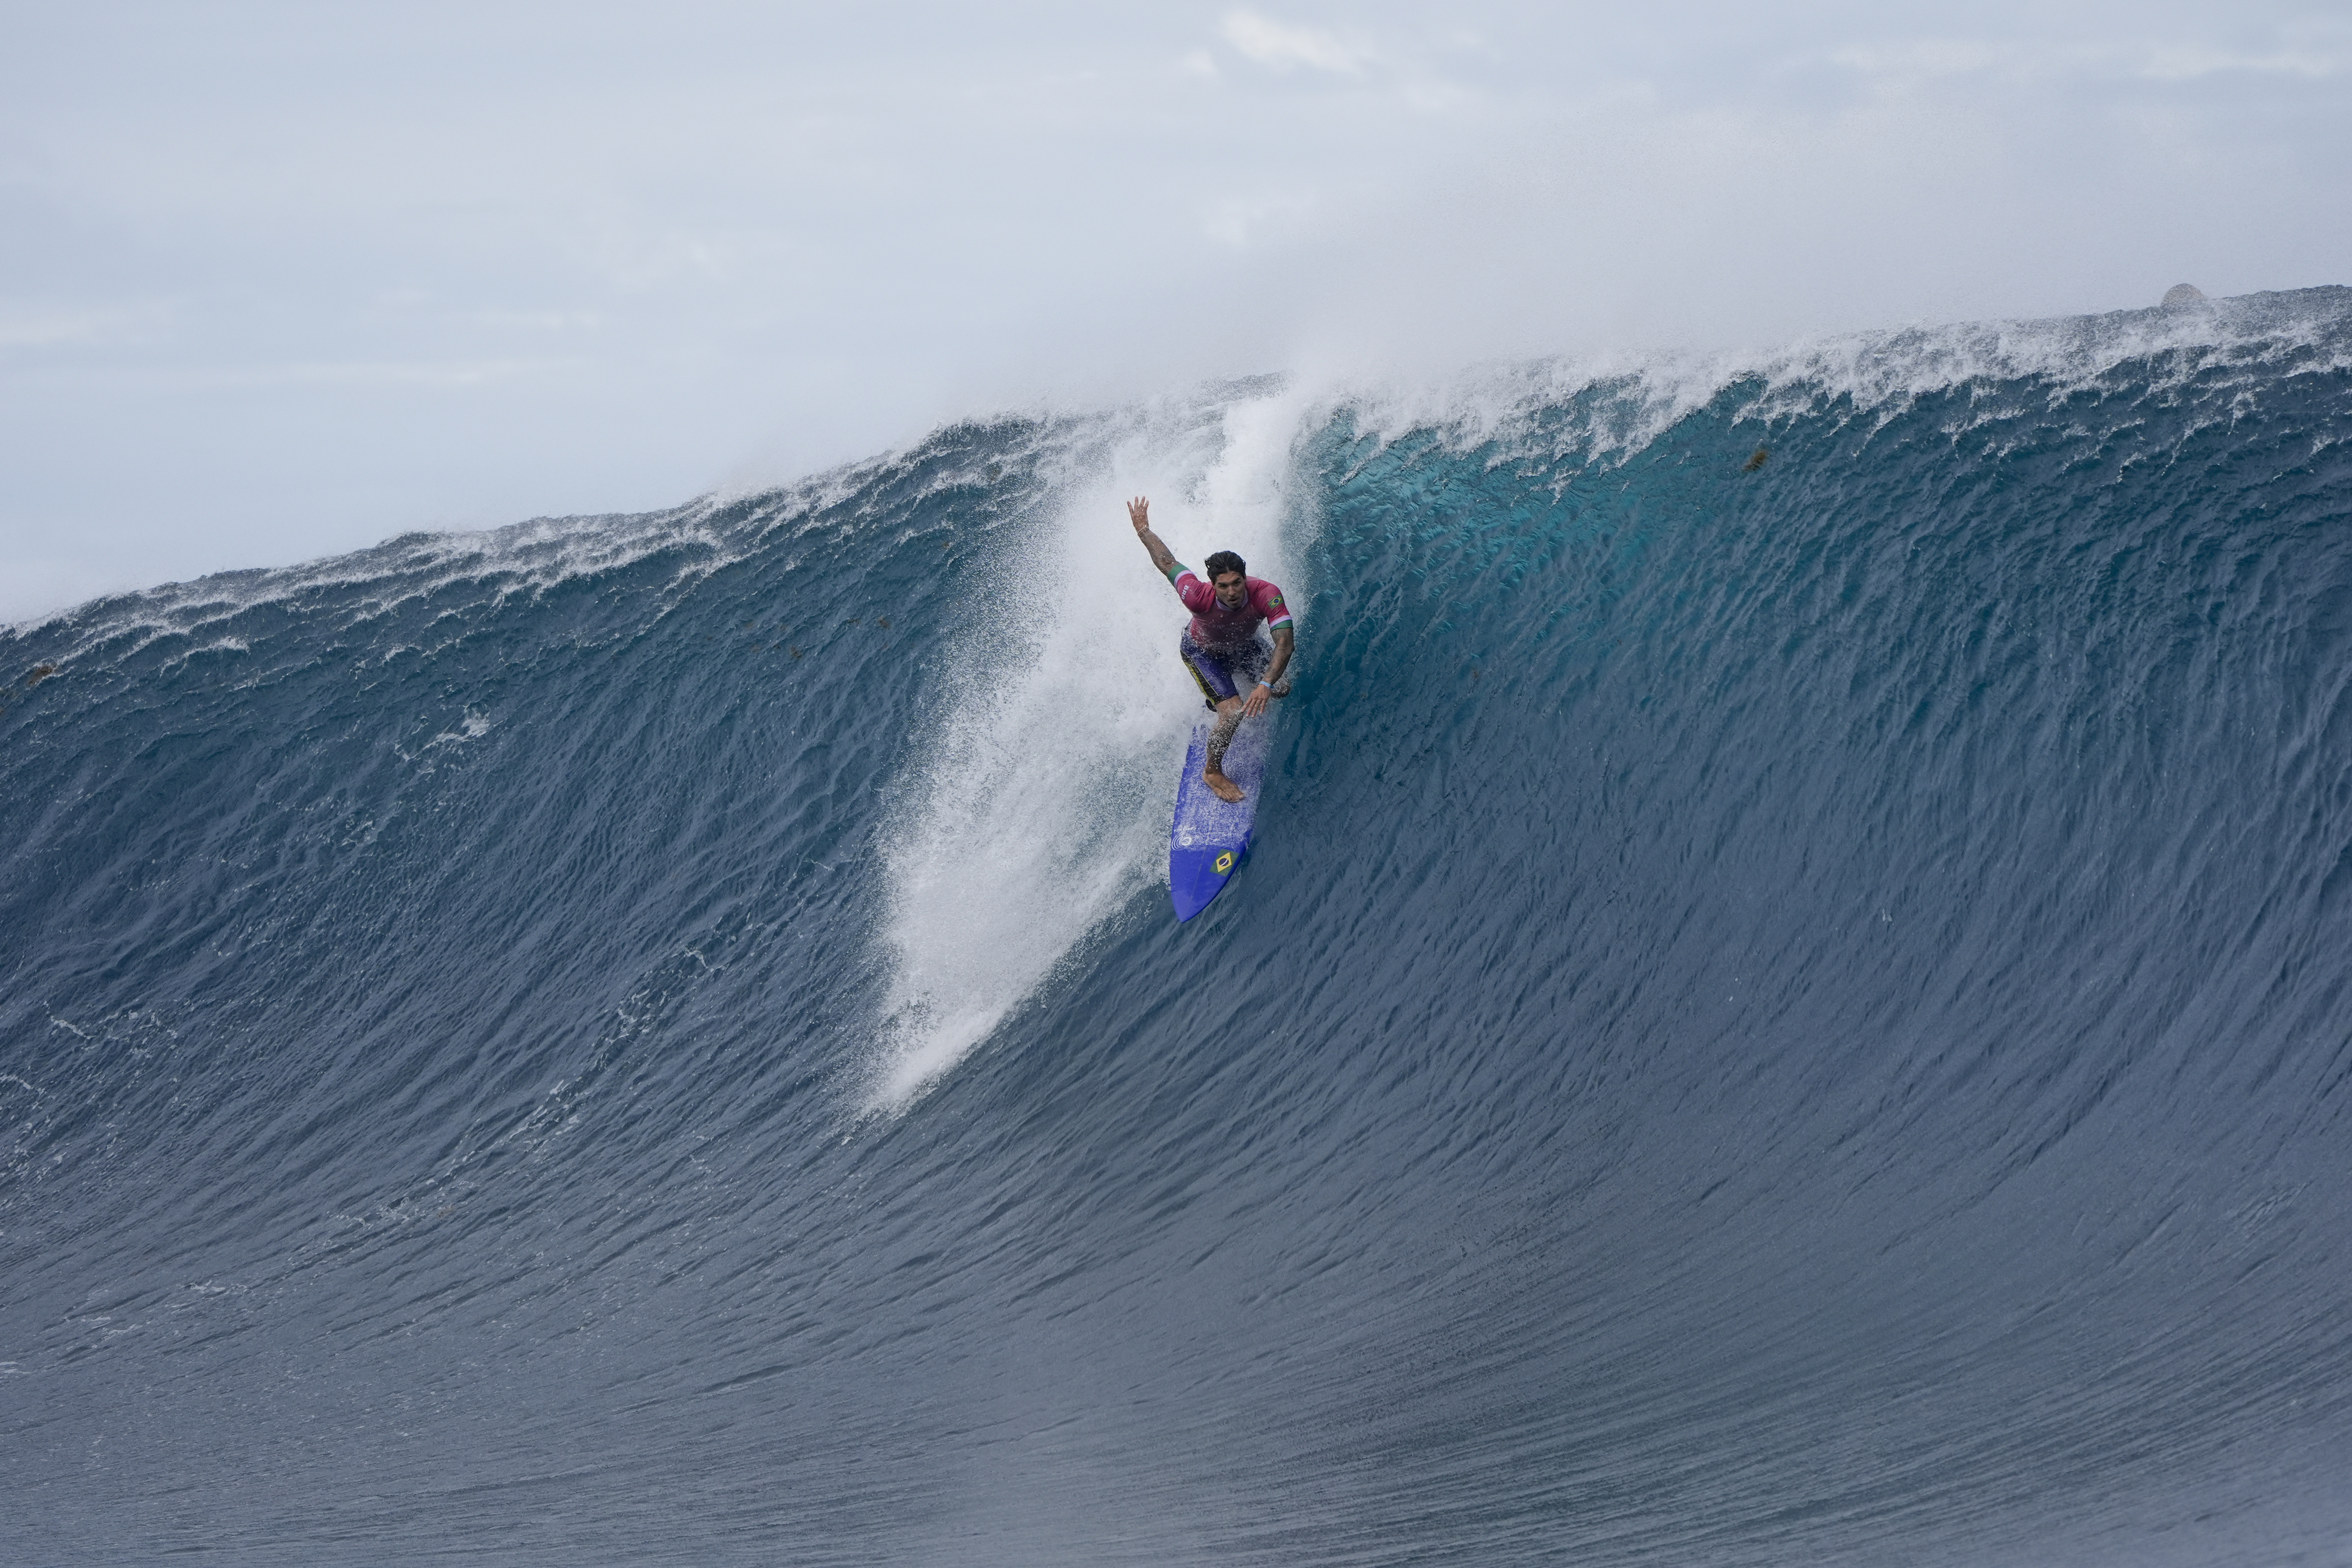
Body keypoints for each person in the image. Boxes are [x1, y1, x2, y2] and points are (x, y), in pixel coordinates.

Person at [1127, 496, 1294, 804]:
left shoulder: (1266, 594)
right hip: (1202, 652)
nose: (1232, 592)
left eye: (1237, 583)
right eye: (1224, 586)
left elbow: (1285, 643)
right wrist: (1144, 532)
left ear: (1245, 578)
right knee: (1232, 714)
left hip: (1243, 646)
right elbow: (1166, 562)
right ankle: (1213, 771)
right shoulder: (1195, 595)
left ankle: (1227, 693)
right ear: (1212, 584)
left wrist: (1266, 685)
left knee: (1282, 687)